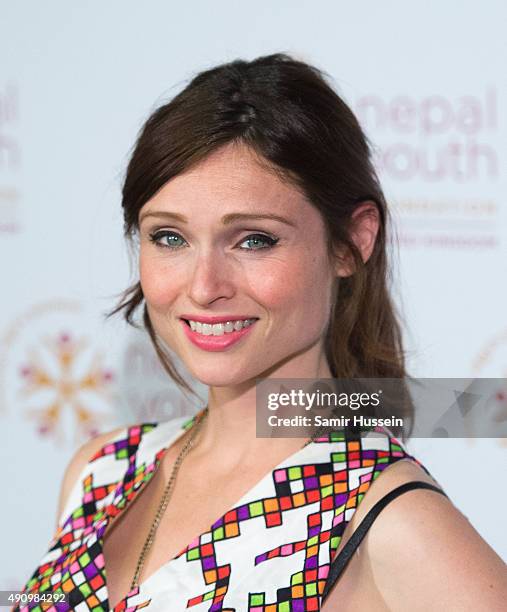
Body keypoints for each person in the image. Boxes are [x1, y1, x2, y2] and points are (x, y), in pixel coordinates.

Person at [14, 53, 506, 612]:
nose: (204, 287)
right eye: (170, 237)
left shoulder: (385, 517)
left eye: (254, 240)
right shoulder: (100, 471)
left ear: (351, 242)